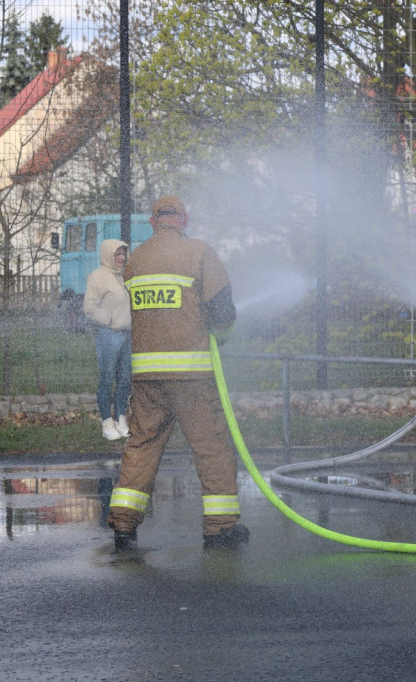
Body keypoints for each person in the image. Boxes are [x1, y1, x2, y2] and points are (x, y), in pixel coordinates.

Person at [106, 195, 249, 551]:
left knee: (142, 443)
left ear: (153, 222)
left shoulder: (135, 260)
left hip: (147, 377)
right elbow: (222, 309)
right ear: (184, 220)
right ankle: (220, 527)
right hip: (192, 375)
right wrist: (224, 334)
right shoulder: (199, 253)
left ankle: (123, 523)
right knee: (211, 444)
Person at [83, 239, 132, 440]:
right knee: (107, 378)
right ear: (107, 255)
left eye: (123, 254)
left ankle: (121, 418)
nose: (121, 258)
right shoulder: (97, 277)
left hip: (127, 335)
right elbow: (89, 307)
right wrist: (109, 319)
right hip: (108, 335)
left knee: (126, 379)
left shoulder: (124, 276)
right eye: (117, 254)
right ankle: (106, 422)